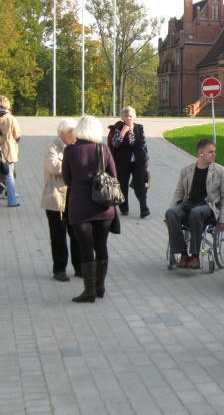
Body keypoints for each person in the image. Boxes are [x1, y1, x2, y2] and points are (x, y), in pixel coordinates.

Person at [63, 115, 117, 303]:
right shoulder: (103, 149)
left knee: (85, 249)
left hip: (80, 206)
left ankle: (89, 290)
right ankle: (100, 286)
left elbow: (66, 178)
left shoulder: (70, 151)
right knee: (101, 246)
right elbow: (114, 176)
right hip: (103, 206)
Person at [165, 139, 224, 269]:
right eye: (210, 152)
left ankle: (195, 256)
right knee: (171, 213)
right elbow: (179, 192)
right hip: (188, 204)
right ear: (201, 153)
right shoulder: (186, 170)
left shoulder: (220, 171)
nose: (214, 154)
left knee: (196, 212)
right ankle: (183, 254)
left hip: (208, 207)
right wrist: (168, 217)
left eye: (214, 152)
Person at [41, 118, 81, 282]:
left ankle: (79, 268)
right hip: (56, 198)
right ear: (63, 133)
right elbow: (53, 166)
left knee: (77, 234)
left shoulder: (76, 146)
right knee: (58, 236)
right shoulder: (53, 146)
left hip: (74, 198)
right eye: (72, 132)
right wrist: (72, 165)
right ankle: (59, 269)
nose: (75, 135)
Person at [108, 106, 150, 218]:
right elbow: (115, 144)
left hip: (138, 160)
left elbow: (144, 144)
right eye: (126, 116)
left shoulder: (139, 128)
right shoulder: (118, 128)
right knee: (123, 185)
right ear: (123, 117)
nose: (129, 118)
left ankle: (144, 208)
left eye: (131, 116)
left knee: (140, 183)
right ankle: (124, 208)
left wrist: (146, 158)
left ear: (134, 117)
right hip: (123, 161)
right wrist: (123, 132)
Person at [0, 95, 21, 207]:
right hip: (9, 149)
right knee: (9, 175)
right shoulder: (10, 118)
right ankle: (12, 200)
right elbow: (17, 135)